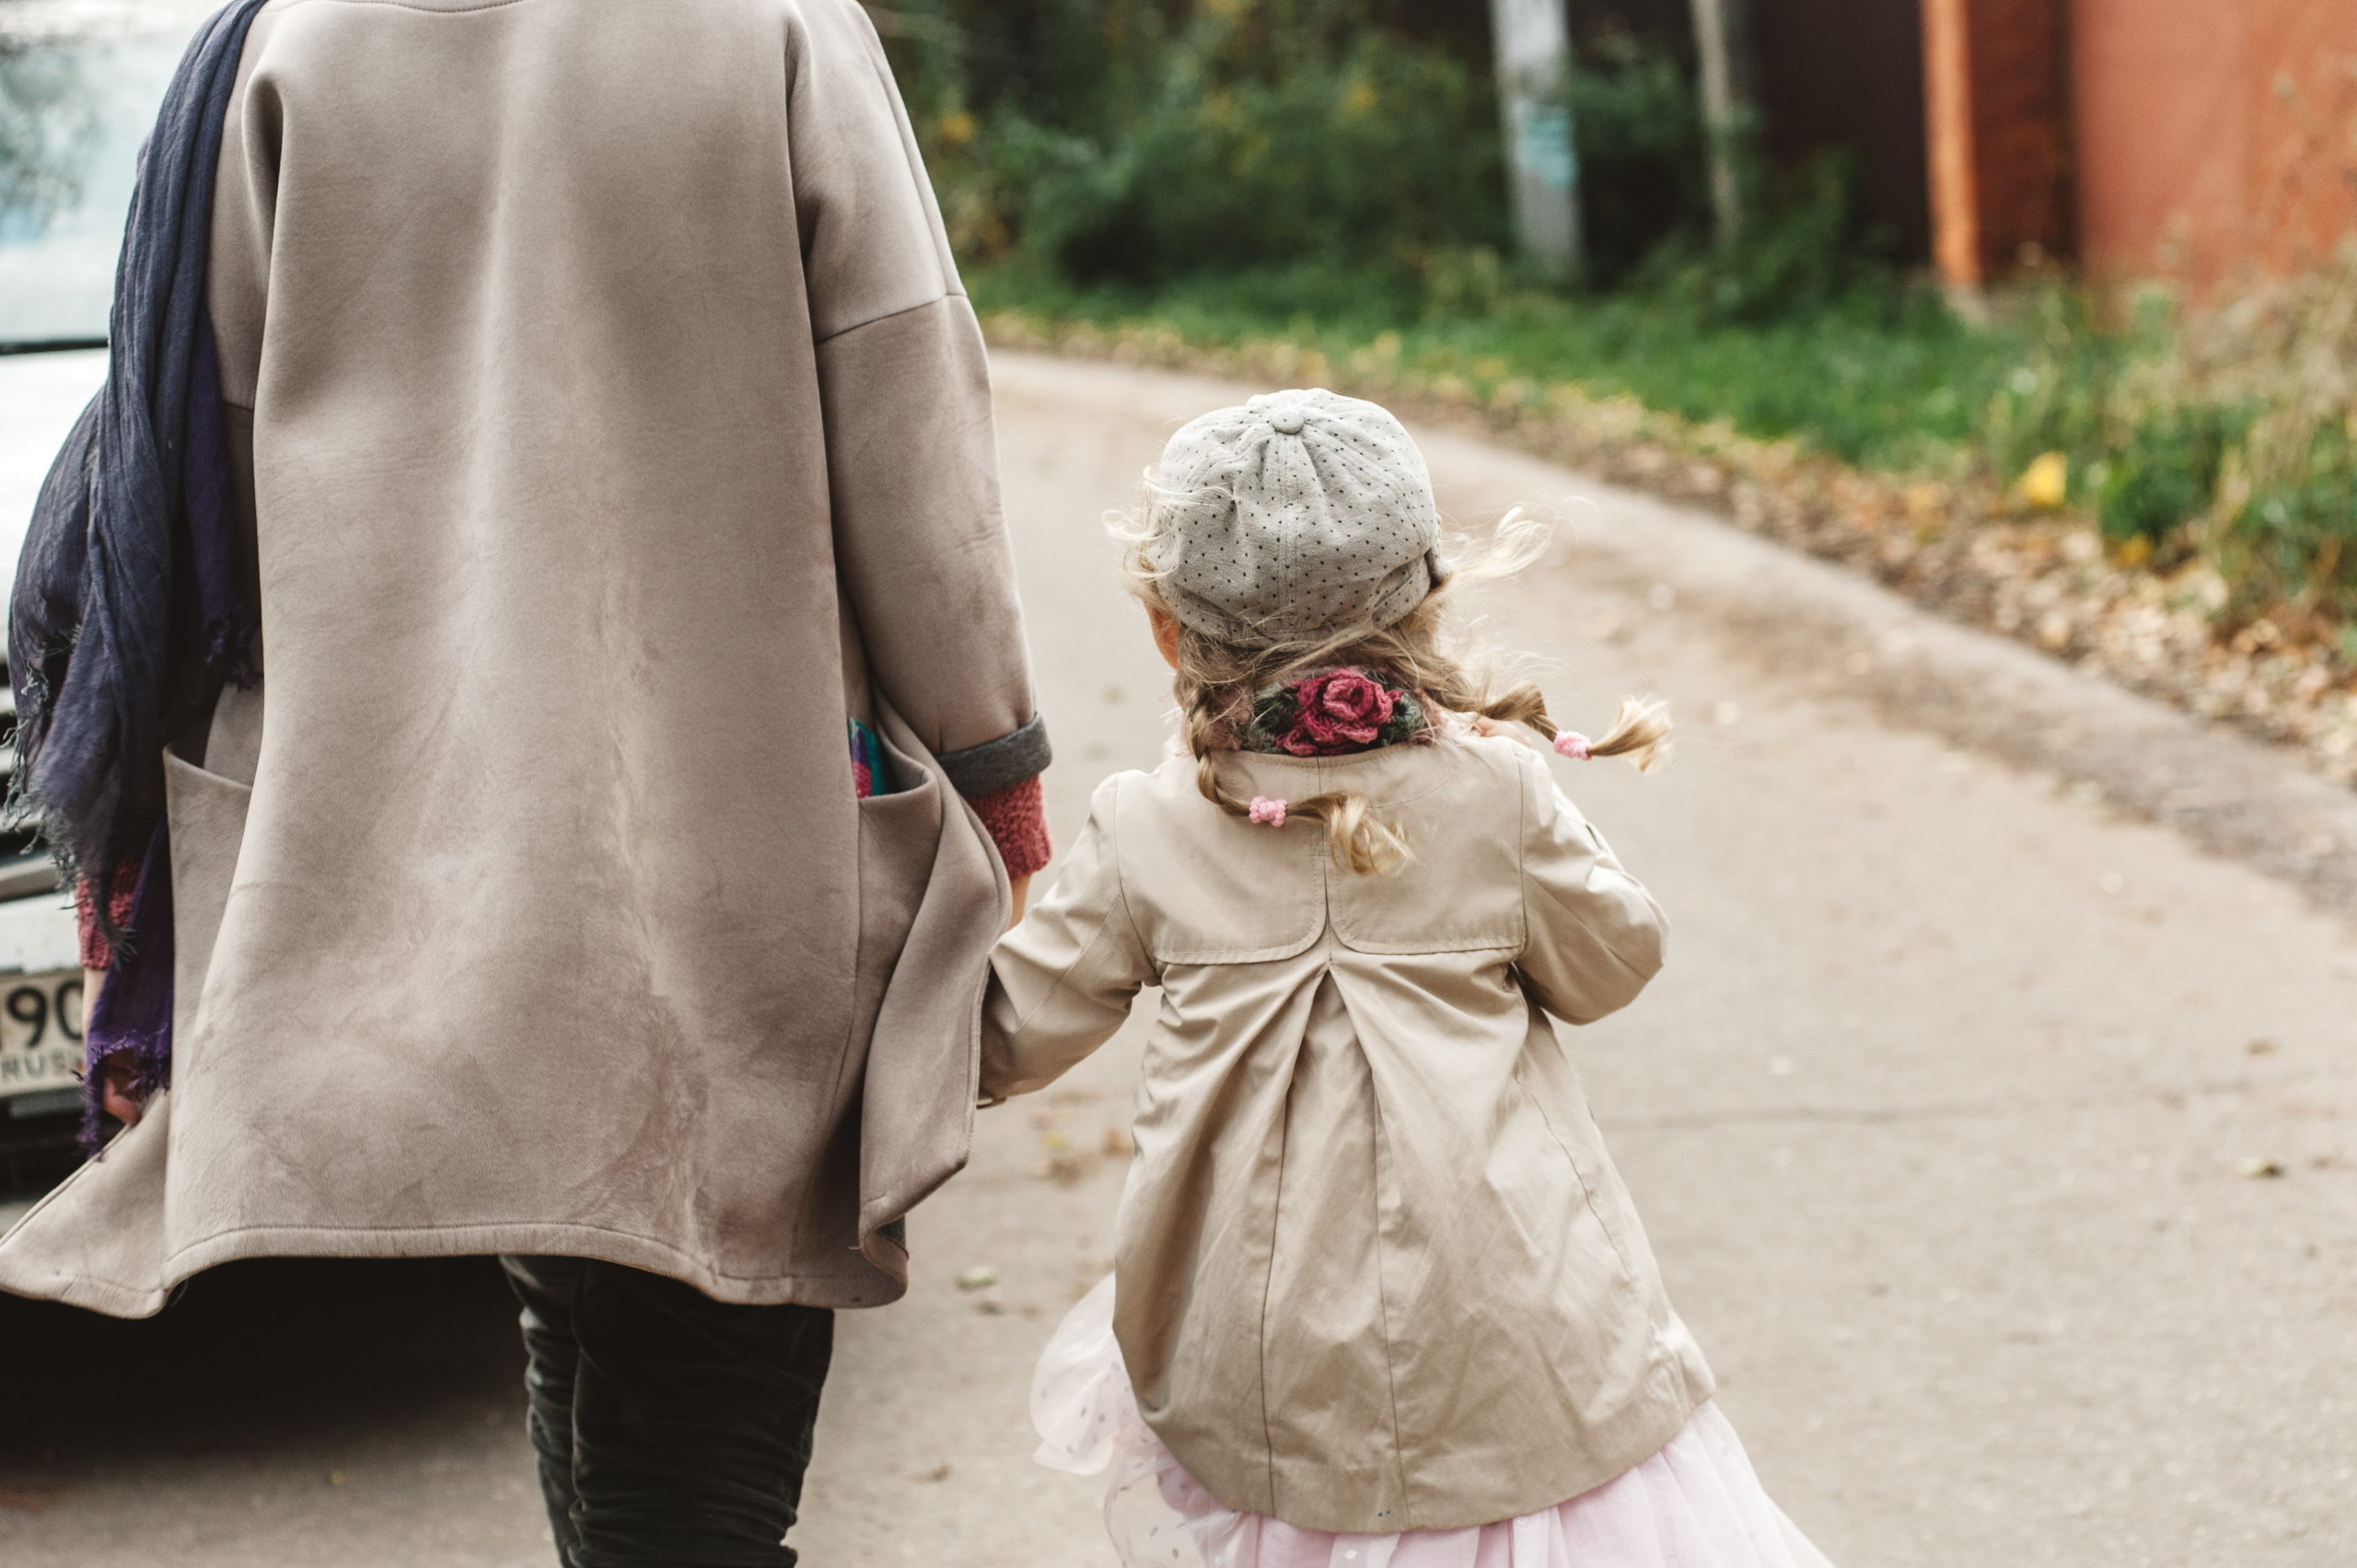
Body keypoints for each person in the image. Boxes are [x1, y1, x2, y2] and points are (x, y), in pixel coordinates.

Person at [3, 1, 1048, 1562]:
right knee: (702, 1380)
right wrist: (994, 759)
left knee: (583, 1307)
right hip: (726, 836)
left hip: (427, 852)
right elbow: (902, 401)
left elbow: (206, 480)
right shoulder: (769, 23)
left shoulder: (296, 40)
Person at [981, 389, 1837, 1567]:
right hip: (1521, 1346)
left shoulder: (1143, 829)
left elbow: (1000, 1032)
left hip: (1259, 1360)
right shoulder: (1494, 794)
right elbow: (1613, 961)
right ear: (1426, 601)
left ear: (1169, 632)